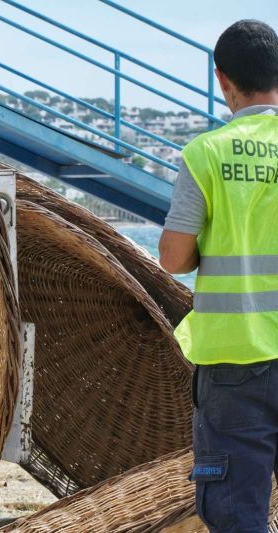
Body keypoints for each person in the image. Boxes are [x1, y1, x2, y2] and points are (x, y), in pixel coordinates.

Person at [159, 19, 278, 533]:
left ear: (221, 79)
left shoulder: (206, 153)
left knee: (236, 513)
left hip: (235, 361)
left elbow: (173, 257)